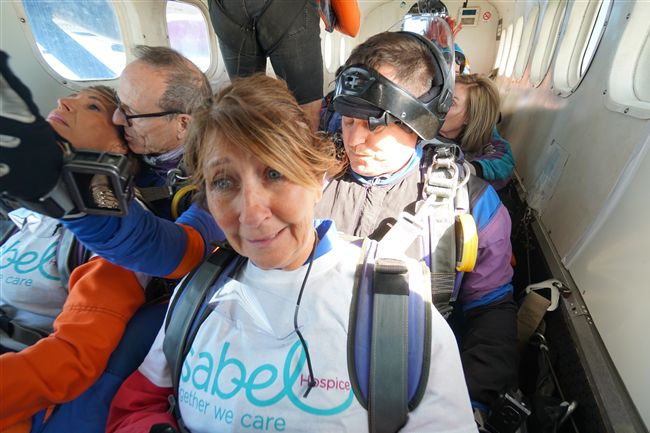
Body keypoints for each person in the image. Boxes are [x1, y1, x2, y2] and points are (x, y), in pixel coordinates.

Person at [105, 74, 476, 433]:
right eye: (223, 182)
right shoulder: (197, 293)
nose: (251, 214)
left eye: (274, 174)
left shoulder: (398, 310)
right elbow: (138, 406)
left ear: (316, 179)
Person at [313, 32, 518, 422]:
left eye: (373, 125)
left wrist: (470, 406)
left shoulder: (470, 204)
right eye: (348, 120)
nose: (354, 139)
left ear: (419, 121)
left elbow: (490, 313)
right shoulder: (308, 184)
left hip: (415, 383)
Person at [0, 86, 157, 432]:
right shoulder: (28, 210)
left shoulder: (119, 226)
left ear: (119, 145)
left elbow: (74, 357)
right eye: (71, 97)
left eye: (92, 106)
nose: (64, 102)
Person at [207, 0, 359, 132]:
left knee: (246, 105)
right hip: (286, 6)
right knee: (306, 110)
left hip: (224, 6)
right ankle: (302, 155)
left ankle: (254, 156)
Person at [438, 73, 515, 190]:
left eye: (451, 102)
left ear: (470, 117)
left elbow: (504, 160)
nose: (440, 104)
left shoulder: (485, 138)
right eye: (443, 96)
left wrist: (469, 169)